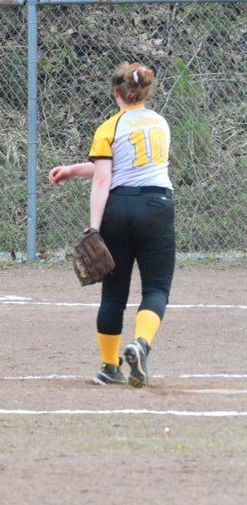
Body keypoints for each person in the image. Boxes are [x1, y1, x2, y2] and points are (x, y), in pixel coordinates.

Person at [48, 61, 175, 388]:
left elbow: (105, 178)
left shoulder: (109, 127)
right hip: (156, 206)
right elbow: (128, 166)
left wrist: (94, 227)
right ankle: (141, 344)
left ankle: (108, 366)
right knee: (156, 288)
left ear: (116, 93)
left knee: (113, 294)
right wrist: (74, 169)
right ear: (146, 91)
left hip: (118, 209)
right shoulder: (160, 123)